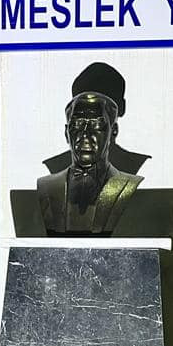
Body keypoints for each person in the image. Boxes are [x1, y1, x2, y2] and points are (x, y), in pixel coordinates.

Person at [36, 90, 143, 236]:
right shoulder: (47, 187)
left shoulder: (128, 186)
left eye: (96, 124)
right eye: (77, 124)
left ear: (113, 131)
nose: (85, 134)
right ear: (66, 133)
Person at [42, 62, 151, 176]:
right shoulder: (135, 165)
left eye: (96, 122)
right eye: (80, 122)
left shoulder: (55, 167)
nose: (86, 133)